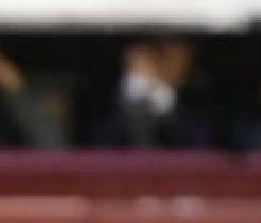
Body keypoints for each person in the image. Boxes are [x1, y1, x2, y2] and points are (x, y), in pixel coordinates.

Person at [87, 35, 218, 149]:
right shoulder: (105, 99)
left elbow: (203, 148)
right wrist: (134, 96)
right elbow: (98, 146)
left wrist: (161, 96)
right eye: (159, 52)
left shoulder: (201, 99)